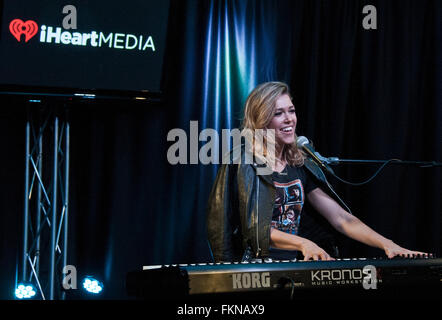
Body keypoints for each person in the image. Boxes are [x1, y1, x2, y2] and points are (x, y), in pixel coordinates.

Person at [206, 81, 427, 262]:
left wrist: (389, 245)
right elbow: (252, 231)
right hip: (254, 268)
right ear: (262, 121)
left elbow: (341, 218)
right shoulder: (244, 162)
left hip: (293, 265)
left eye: (291, 111)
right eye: (278, 113)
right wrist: (304, 243)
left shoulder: (299, 163)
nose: (289, 119)